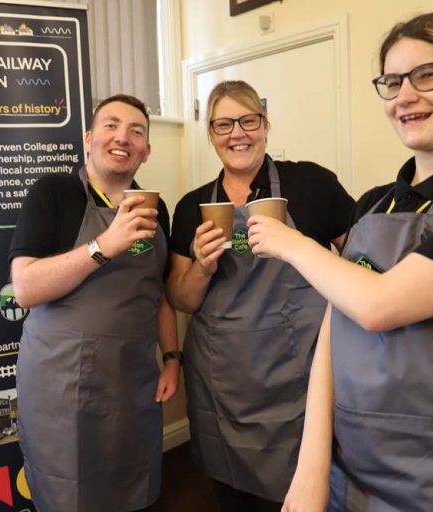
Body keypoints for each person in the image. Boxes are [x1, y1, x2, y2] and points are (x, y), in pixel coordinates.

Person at [247, 12, 433, 511]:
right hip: (355, 474)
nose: (405, 96)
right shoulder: (371, 203)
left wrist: (289, 242)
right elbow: (336, 325)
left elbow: (378, 305)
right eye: (392, 82)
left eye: (426, 75)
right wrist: (311, 468)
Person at [167, 80, 354, 510]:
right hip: (223, 384)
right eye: (224, 124)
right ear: (211, 134)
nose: (238, 133)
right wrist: (203, 264)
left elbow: (359, 263)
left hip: (299, 376)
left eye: (248, 120)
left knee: (309, 490)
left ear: (265, 125)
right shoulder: (192, 206)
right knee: (233, 497)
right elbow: (183, 300)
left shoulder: (311, 183)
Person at [9, 94, 181, 512]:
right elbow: (25, 287)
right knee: (69, 495)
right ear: (88, 138)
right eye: (111, 125)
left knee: (133, 489)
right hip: (60, 387)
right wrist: (104, 246)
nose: (122, 137)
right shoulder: (54, 192)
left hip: (132, 385)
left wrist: (173, 357)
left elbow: (157, 294)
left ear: (146, 150)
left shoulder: (155, 209)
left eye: (136, 131)